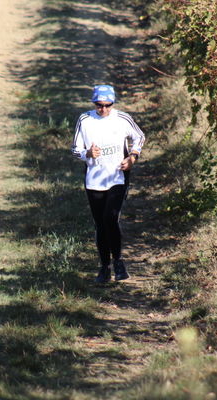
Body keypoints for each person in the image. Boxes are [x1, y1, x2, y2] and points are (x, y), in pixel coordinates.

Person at [71, 84, 145, 282]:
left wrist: (133, 157)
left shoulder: (122, 119)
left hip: (117, 176)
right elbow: (75, 148)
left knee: (111, 217)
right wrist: (87, 153)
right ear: (93, 103)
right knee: (100, 224)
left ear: (113, 103)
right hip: (94, 178)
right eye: (99, 105)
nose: (103, 109)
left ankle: (119, 262)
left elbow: (139, 137)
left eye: (107, 105)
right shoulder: (85, 120)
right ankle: (104, 267)